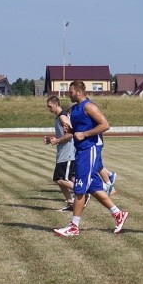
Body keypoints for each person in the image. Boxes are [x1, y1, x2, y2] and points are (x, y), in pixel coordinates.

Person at [53, 81, 128, 237]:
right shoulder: (74, 109)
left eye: (71, 92)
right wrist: (72, 130)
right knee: (93, 187)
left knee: (80, 188)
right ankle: (118, 213)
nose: (69, 94)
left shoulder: (89, 107)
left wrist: (85, 134)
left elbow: (105, 125)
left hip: (89, 150)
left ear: (79, 92)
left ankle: (74, 226)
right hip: (80, 150)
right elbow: (79, 131)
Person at [45, 95, 77, 211]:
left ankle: (83, 191)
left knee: (60, 179)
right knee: (60, 180)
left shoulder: (63, 117)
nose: (49, 109)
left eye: (50, 106)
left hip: (67, 153)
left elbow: (70, 134)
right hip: (62, 153)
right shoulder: (59, 117)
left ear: (56, 104)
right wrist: (51, 140)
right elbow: (63, 135)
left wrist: (57, 141)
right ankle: (71, 204)